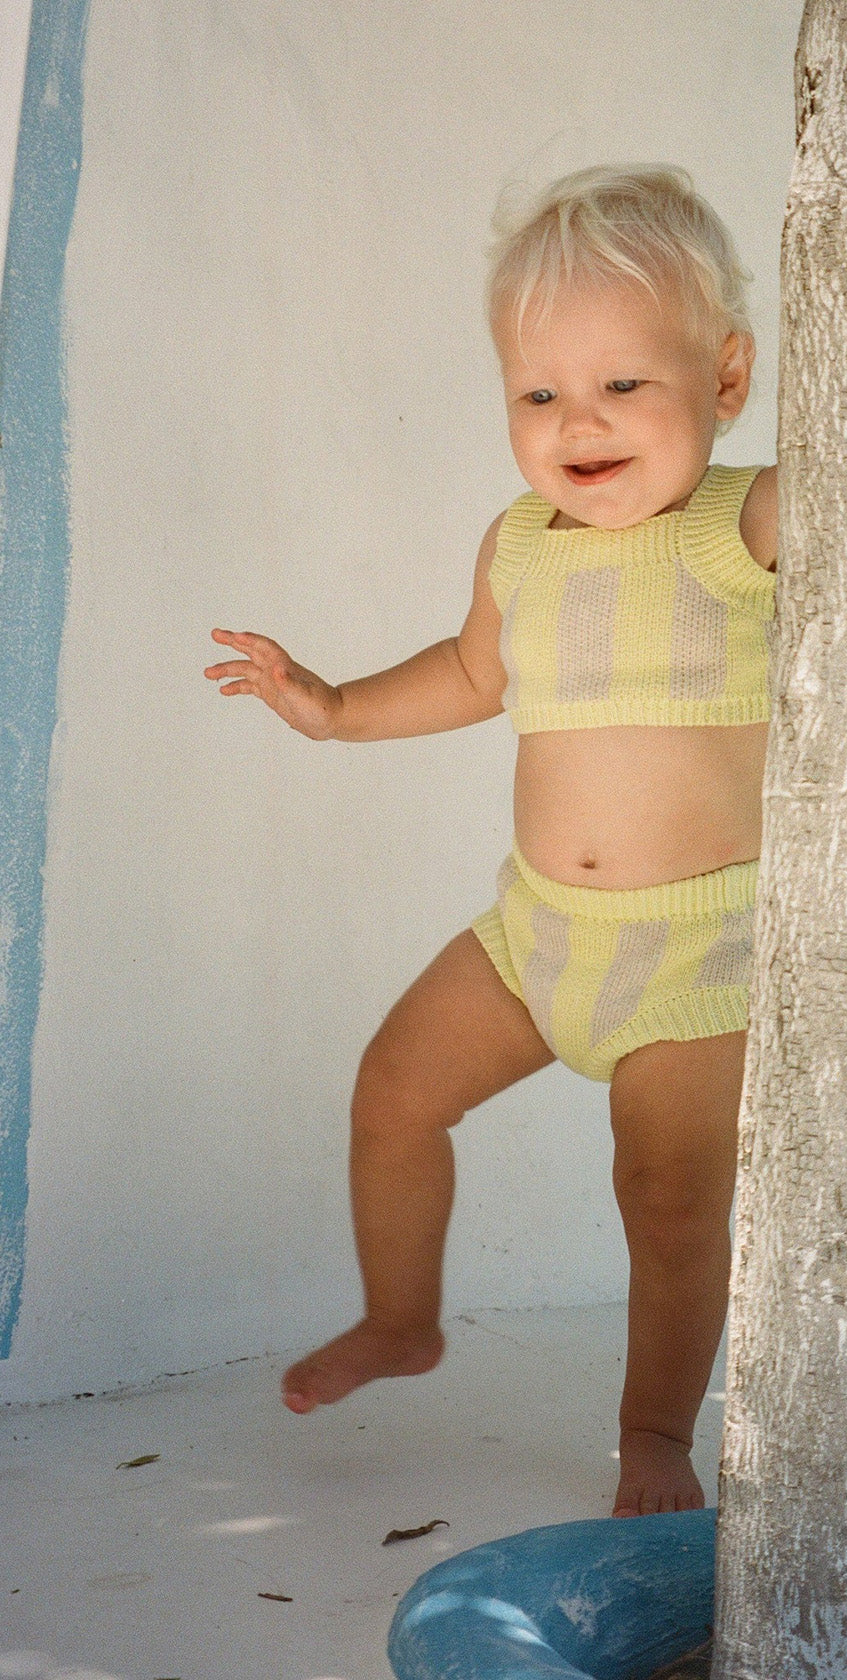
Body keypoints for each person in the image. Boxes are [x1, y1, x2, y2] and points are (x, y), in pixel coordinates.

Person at [205, 165, 778, 1518]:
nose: (579, 423)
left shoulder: (741, 523)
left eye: (627, 386)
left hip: (697, 958)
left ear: (728, 378)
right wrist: (334, 707)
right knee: (395, 1091)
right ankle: (403, 1319)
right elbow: (473, 677)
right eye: (540, 394)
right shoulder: (521, 543)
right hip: (536, 938)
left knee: (671, 1197)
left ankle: (653, 1435)